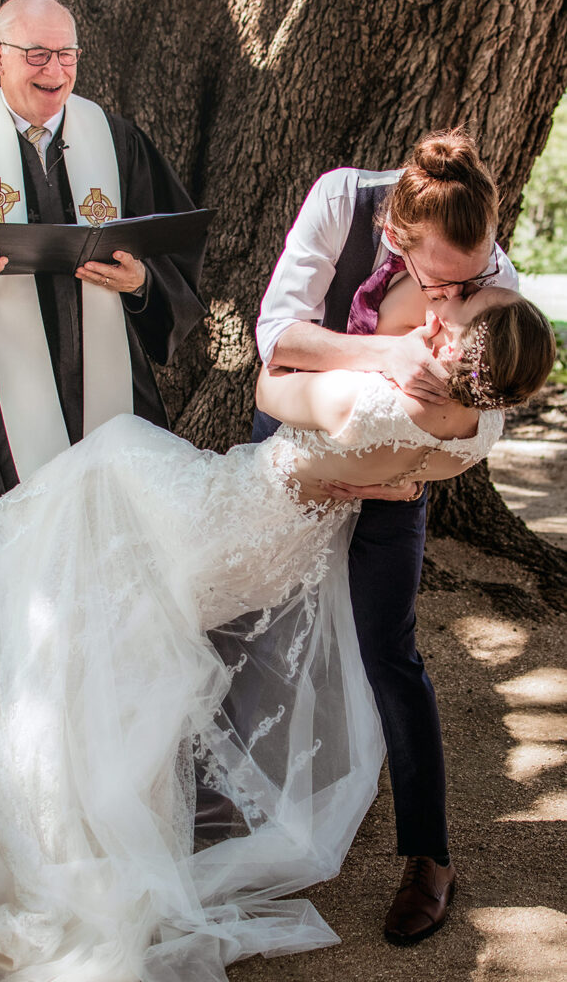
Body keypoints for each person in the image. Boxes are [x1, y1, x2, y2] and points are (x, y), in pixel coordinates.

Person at [0, 291, 555, 982]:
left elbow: (273, 382)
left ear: (457, 351)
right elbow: (395, 477)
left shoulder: (369, 399)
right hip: (282, 554)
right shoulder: (477, 433)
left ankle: (10, 523)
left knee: (115, 454)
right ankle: (21, 530)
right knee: (125, 595)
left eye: (455, 322)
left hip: (230, 516)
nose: (438, 316)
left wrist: (376, 359)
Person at [250, 128, 520, 943]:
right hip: (295, 439)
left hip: (397, 471)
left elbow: (484, 423)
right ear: (397, 240)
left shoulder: (488, 270)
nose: (455, 297)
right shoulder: (342, 200)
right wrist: (388, 358)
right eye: (442, 279)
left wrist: (406, 480)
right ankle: (234, 814)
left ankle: (427, 857)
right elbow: (276, 338)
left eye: (470, 280)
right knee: (254, 628)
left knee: (388, 650)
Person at [0, 0, 207, 616]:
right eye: (36, 54)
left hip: (110, 399)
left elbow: (176, 251)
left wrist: (142, 283)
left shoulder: (117, 144)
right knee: (15, 587)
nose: (54, 72)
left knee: (127, 571)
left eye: (66, 55)